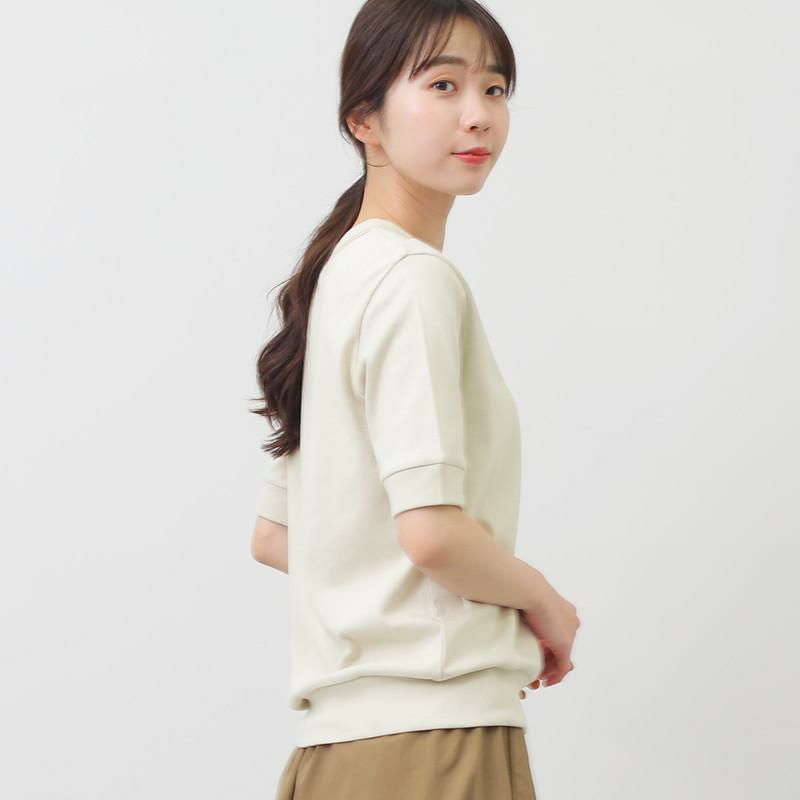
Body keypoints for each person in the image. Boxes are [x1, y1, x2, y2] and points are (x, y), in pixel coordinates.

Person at [250, 1, 580, 797]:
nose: (479, 114)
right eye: (443, 85)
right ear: (364, 118)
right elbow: (430, 534)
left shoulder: (338, 279)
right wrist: (542, 603)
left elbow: (277, 536)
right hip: (435, 742)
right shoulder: (411, 280)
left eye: (495, 89)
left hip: (336, 752)